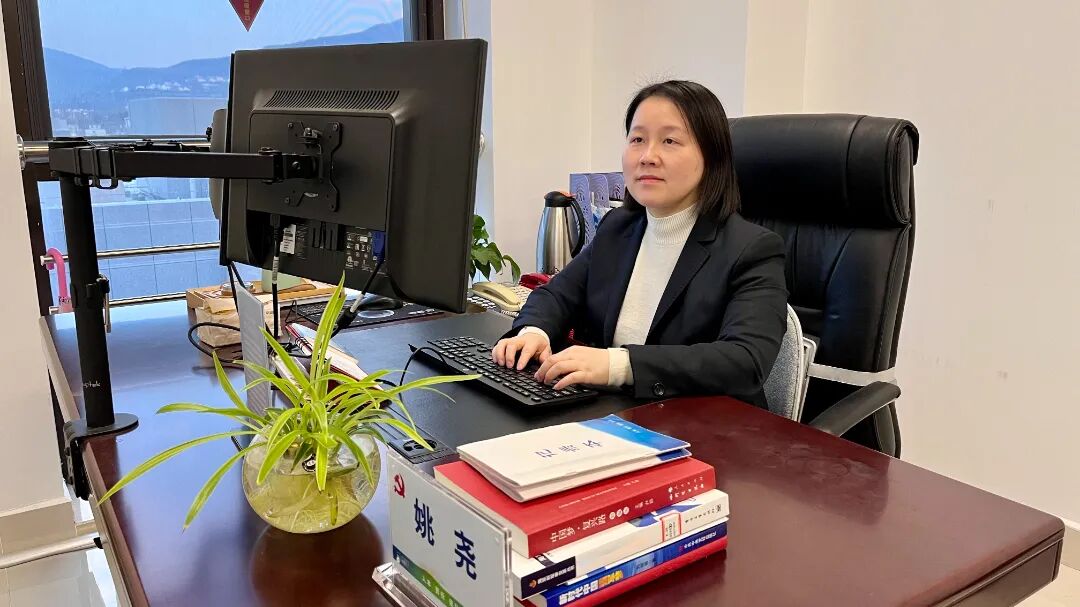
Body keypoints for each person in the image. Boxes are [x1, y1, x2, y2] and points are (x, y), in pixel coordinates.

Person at [492, 80, 788, 408]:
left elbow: (745, 360)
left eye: (670, 141)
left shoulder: (753, 250)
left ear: (712, 156)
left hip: (705, 425)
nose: (648, 156)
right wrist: (533, 332)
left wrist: (619, 365)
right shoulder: (618, 227)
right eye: (637, 139)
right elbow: (556, 294)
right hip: (616, 414)